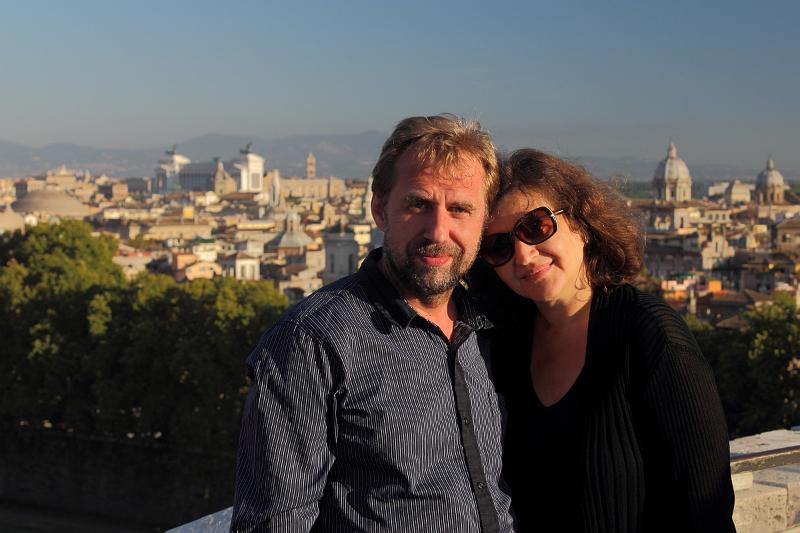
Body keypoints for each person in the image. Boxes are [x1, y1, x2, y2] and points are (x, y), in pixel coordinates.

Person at [231, 114, 515, 533]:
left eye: (460, 209)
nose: (438, 229)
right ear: (379, 210)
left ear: (483, 221)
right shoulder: (310, 343)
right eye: (418, 204)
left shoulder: (495, 326)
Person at [473, 148, 735, 532]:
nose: (524, 255)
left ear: (580, 223)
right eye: (499, 246)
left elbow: (705, 513)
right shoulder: (505, 345)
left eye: (536, 227)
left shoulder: (650, 335)